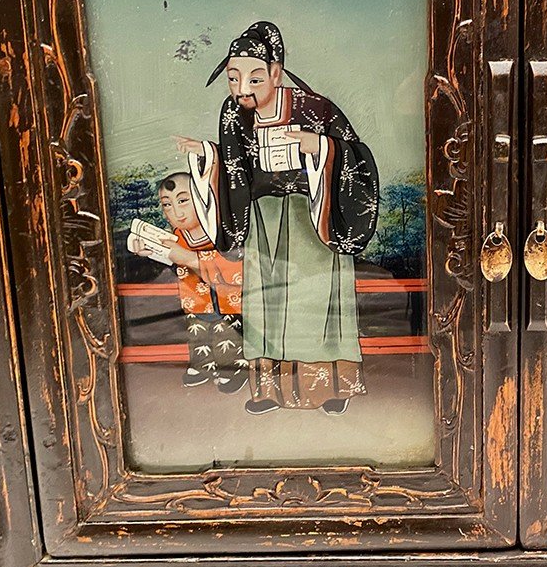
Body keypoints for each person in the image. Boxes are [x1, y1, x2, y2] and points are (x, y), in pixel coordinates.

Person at [173, 22, 379, 416]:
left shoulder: (315, 108)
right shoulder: (234, 112)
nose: (242, 88)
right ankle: (268, 390)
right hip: (263, 218)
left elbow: (355, 155)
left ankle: (329, 391)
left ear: (276, 72)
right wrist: (207, 154)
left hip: (313, 219)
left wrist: (320, 146)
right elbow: (233, 166)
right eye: (233, 79)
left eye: (253, 77)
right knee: (265, 302)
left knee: (316, 303)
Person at [147, 172, 249, 394]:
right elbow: (175, 264)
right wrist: (154, 252)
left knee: (227, 336)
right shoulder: (176, 236)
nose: (176, 212)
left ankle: (232, 370)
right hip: (196, 300)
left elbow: (236, 265)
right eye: (167, 205)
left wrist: (192, 258)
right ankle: (202, 367)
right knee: (198, 333)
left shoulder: (223, 233)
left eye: (183, 201)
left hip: (229, 303)